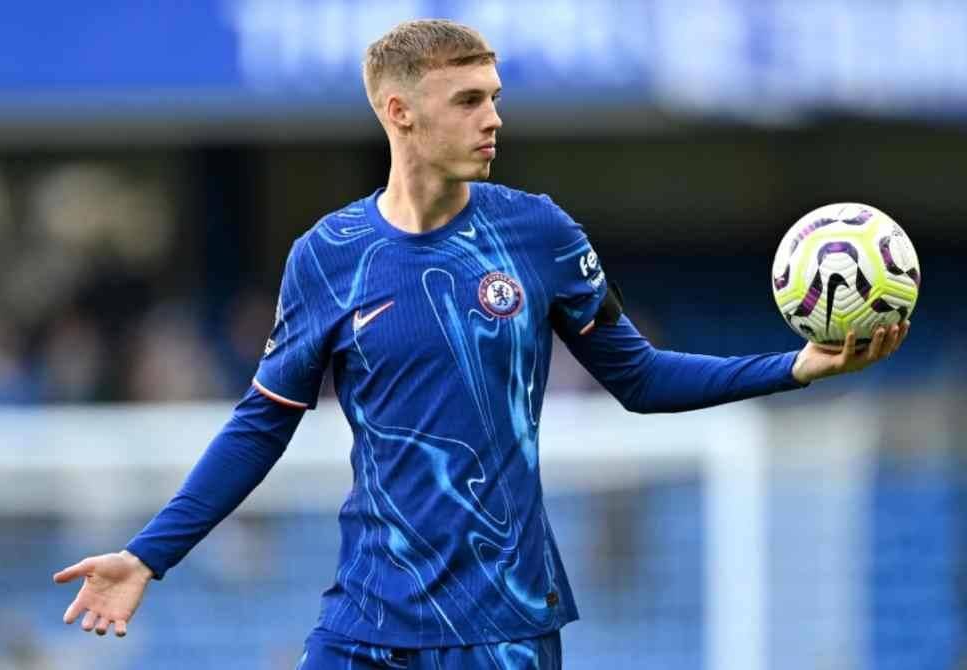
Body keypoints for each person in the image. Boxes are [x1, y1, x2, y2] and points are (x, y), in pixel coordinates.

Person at [54, 19, 910, 669]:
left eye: (495, 95)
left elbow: (640, 379)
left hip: (505, 628)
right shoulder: (329, 257)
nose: (493, 118)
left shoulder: (537, 234)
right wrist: (147, 556)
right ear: (400, 112)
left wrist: (798, 366)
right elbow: (259, 425)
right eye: (469, 100)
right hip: (366, 619)